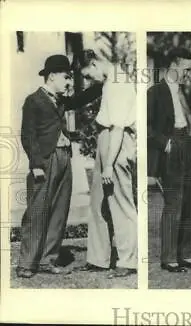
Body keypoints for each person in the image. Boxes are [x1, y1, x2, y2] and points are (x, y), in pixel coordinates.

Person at [76, 50, 137, 277]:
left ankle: (128, 261)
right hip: (105, 139)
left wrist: (110, 164)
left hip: (116, 143)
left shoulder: (119, 83)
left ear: (93, 64)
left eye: (89, 75)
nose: (91, 80)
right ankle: (98, 258)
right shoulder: (110, 82)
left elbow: (119, 128)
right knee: (97, 201)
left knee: (121, 203)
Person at [147, 47, 191, 272]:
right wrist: (166, 143)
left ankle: (188, 255)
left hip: (187, 146)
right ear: (174, 66)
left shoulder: (184, 92)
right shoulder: (155, 92)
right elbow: (147, 126)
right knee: (174, 204)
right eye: (187, 70)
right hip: (170, 148)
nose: (190, 74)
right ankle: (170, 259)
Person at [17, 55, 74, 278]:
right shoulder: (34, 100)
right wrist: (36, 164)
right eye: (66, 77)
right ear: (52, 77)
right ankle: (26, 264)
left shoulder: (62, 100)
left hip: (64, 157)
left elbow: (81, 100)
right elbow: (28, 135)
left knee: (59, 210)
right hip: (45, 160)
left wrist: (102, 85)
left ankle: (47, 260)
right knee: (37, 211)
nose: (70, 82)